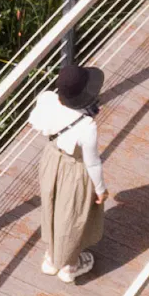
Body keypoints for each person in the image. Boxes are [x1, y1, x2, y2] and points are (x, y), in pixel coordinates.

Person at [28, 63, 108, 283]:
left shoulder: (46, 101)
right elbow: (92, 162)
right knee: (73, 215)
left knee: (52, 206)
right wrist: (101, 189)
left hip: (52, 160)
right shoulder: (87, 126)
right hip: (75, 169)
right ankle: (69, 266)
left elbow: (37, 123)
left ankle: (52, 258)